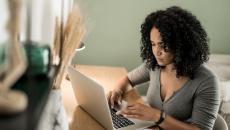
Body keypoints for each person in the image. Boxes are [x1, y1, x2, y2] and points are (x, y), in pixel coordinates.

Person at [107, 6, 220, 130]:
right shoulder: (154, 65)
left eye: (163, 45)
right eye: (153, 44)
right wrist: (117, 92)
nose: (156, 52)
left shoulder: (207, 81)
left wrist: (158, 117)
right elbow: (128, 79)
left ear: (181, 44)